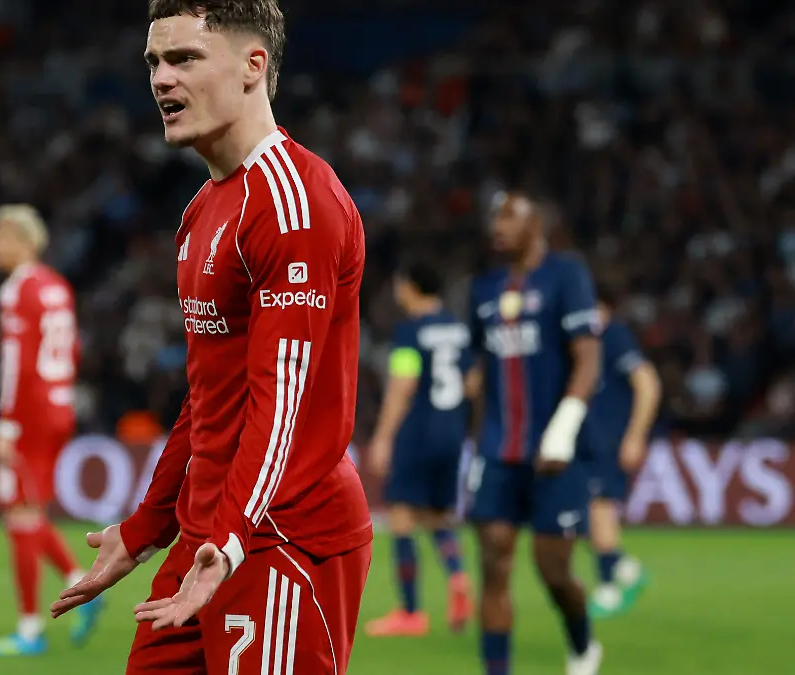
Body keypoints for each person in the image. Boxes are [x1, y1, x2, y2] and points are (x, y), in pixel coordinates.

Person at [50, 1, 374, 674]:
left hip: (281, 536)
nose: (161, 79)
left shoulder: (294, 204)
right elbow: (209, 398)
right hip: (208, 538)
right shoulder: (203, 209)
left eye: (185, 59)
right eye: (154, 62)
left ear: (254, 65)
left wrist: (229, 541)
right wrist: (146, 527)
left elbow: (280, 402)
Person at [467, 191, 604, 675]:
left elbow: (588, 360)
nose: (497, 226)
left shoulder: (567, 275)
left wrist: (562, 430)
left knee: (553, 571)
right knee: (494, 567)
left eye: (510, 216)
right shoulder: (483, 288)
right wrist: (475, 446)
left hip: (555, 455)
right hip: (498, 453)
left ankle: (583, 646)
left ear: (537, 224)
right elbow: (481, 373)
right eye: (494, 217)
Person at [0, 204, 101, 656]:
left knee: (19, 516)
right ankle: (82, 586)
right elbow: (72, 352)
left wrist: (6, 425)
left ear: (20, 239)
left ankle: (29, 630)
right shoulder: (56, 285)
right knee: (29, 511)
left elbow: (18, 364)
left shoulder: (18, 290)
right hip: (58, 406)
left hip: (29, 413)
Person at [365, 262, 473, 637]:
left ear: (410, 287)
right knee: (438, 516)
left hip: (417, 431)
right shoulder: (459, 330)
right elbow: (473, 382)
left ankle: (410, 612)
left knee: (402, 515)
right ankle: (458, 576)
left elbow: (403, 384)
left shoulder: (409, 332)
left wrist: (383, 436)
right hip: (452, 433)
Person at [582, 285, 659, 619]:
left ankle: (608, 587)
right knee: (585, 513)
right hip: (584, 441)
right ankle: (626, 570)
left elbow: (647, 383)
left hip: (607, 440)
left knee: (599, 510)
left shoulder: (614, 336)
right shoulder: (584, 340)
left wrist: (635, 435)